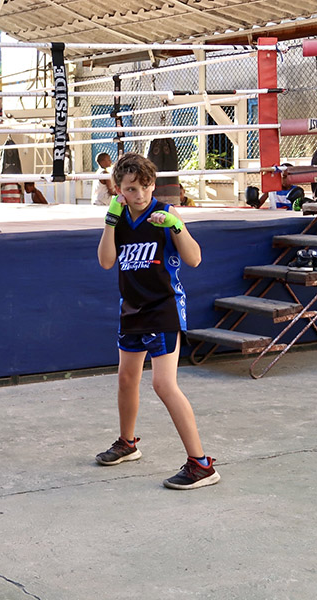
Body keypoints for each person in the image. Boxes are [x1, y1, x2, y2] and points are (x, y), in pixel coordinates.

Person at [95, 152, 220, 490]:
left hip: (162, 308)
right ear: (118, 190)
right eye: (131, 189)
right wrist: (110, 221)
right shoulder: (119, 219)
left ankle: (201, 464)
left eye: (145, 187)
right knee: (125, 379)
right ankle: (127, 442)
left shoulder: (165, 213)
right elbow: (107, 262)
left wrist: (176, 227)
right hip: (131, 308)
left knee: (163, 384)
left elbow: (194, 259)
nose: (140, 195)